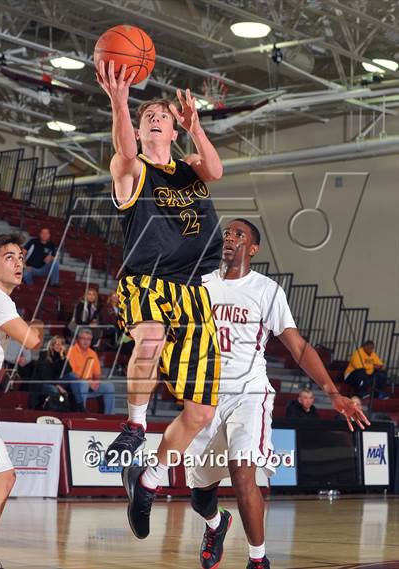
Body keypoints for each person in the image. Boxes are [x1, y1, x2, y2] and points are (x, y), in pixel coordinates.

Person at [185, 219, 369, 569]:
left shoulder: (266, 290)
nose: (230, 237)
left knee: (243, 474)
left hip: (249, 394)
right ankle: (216, 524)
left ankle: (258, 560)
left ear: (253, 248)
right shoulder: (201, 285)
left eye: (240, 234)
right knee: (200, 497)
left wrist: (332, 392)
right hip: (206, 396)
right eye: (227, 232)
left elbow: (298, 348)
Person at [97, 60, 224, 539]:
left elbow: (215, 168)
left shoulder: (189, 169)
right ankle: (134, 425)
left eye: (163, 116)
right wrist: (119, 100)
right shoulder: (128, 170)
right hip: (148, 282)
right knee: (148, 338)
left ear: (173, 130)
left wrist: (196, 126)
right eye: (148, 114)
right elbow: (125, 150)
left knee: (199, 413)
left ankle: (147, 479)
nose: (155, 118)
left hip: (194, 289)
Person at [0, 234, 42, 568]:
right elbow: (31, 340)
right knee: (3, 478)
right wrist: (41, 330)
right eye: (9, 258)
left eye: (20, 257)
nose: (19, 262)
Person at [66, 328, 115, 414]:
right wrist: (88, 382)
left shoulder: (92, 353)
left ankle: (109, 415)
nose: (86, 341)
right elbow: (72, 374)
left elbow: (97, 374)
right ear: (78, 339)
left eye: (88, 339)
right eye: (83, 338)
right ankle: (81, 414)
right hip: (76, 385)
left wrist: (96, 382)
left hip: (89, 385)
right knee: (83, 384)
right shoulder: (71, 351)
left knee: (109, 386)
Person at [32, 335, 86, 412]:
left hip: (55, 381)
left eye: (61, 344)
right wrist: (58, 386)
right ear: (52, 345)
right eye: (56, 344)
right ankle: (55, 410)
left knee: (72, 376)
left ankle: (80, 405)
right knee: (54, 390)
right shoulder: (44, 354)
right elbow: (44, 376)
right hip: (44, 383)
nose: (58, 346)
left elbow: (68, 371)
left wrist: (62, 357)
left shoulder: (61, 356)